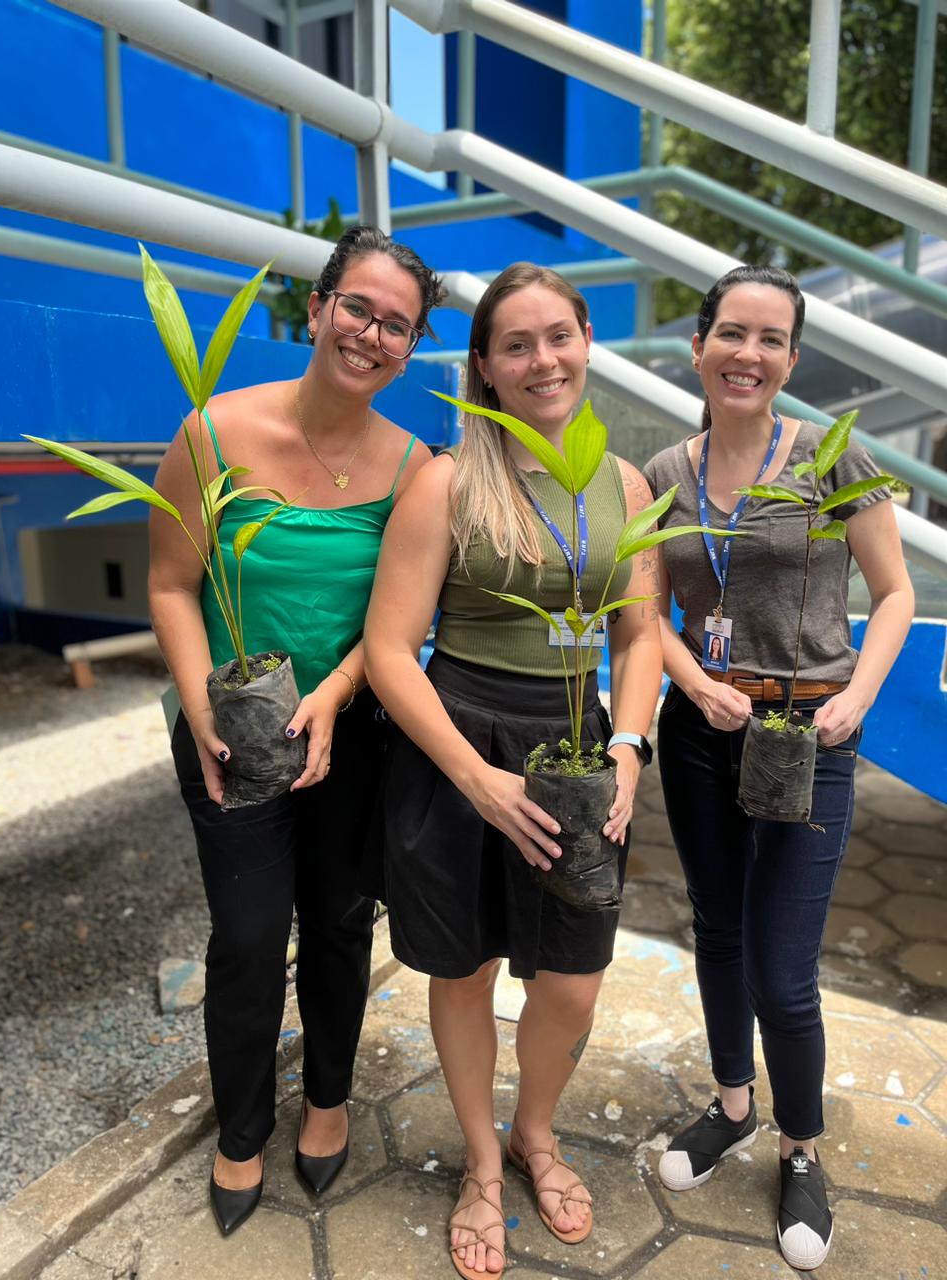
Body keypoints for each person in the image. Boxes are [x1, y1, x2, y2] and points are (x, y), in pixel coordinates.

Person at [364, 264, 662, 1278]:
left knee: (574, 978)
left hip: (581, 744)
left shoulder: (622, 486)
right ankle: (482, 1164)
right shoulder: (447, 481)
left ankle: (537, 1129)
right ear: (484, 368)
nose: (543, 360)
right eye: (517, 345)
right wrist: (478, 780)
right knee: (463, 963)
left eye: (558, 337)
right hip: (461, 741)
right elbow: (392, 648)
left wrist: (630, 744)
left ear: (587, 342)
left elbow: (641, 631)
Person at [148, 226, 443, 1234]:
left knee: (338, 920)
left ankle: (325, 1102)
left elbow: (401, 616)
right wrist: (200, 714)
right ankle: (240, 1130)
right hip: (230, 724)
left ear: (410, 348)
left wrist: (340, 688)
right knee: (243, 934)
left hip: (355, 729)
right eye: (357, 307)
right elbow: (171, 583)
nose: (371, 332)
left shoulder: (415, 464)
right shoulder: (212, 432)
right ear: (315, 310)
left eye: (396, 324)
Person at [643, 265, 913, 1270]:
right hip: (704, 733)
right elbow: (645, 616)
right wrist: (687, 678)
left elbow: (892, 592)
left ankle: (802, 1147)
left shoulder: (836, 459)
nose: (748, 353)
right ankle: (732, 1103)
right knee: (715, 929)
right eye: (731, 332)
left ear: (791, 359)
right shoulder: (665, 469)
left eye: (770, 338)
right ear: (701, 344)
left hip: (812, 736)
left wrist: (855, 698)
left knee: (784, 969)